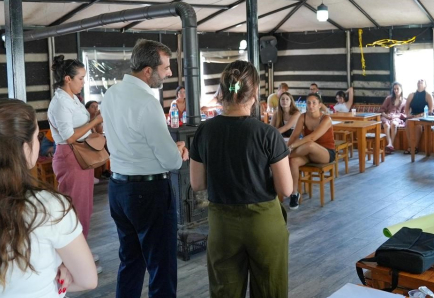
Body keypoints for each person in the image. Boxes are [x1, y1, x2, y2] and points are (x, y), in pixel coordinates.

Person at [0, 99, 98, 297]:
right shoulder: (48, 207)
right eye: (37, 137)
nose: (38, 142)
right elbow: (88, 280)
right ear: (24, 148)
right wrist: (56, 274)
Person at [189, 60, 293, 298]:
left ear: (222, 92)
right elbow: (286, 189)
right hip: (263, 224)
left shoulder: (204, 131)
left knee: (224, 292)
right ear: (254, 92)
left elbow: (197, 184)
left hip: (222, 224)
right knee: (270, 290)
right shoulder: (268, 134)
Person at [100, 39, 190, 298]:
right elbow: (171, 161)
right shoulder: (147, 102)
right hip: (148, 192)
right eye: (166, 67)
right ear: (148, 70)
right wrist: (179, 150)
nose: (169, 73)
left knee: (130, 261)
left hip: (118, 188)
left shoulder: (111, 94)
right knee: (161, 267)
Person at [47, 55, 103, 270]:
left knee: (84, 207)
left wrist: (93, 118)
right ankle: (72, 261)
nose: (83, 82)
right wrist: (95, 120)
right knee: (75, 209)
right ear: (68, 78)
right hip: (70, 156)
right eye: (81, 78)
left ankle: (81, 251)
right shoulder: (60, 103)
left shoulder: (73, 99)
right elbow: (69, 137)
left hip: (80, 154)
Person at [286, 93, 335, 210]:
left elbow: (312, 137)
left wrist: (290, 148)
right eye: (308, 103)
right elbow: (294, 135)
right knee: (293, 161)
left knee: (309, 144)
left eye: (314, 103)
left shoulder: (326, 119)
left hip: (326, 153)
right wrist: (287, 147)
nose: (311, 105)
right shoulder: (303, 117)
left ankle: (282, 157)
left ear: (319, 105)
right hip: (308, 152)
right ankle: (294, 193)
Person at [404, 79, 434, 154]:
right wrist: (408, 115)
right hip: (413, 115)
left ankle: (415, 147)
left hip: (424, 116)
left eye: (422, 81)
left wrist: (419, 115)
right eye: (418, 81)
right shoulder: (411, 95)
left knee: (418, 125)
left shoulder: (428, 95)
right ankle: (410, 146)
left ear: (425, 85)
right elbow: (406, 109)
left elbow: (430, 110)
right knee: (407, 123)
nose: (420, 82)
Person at [380, 82, 407, 153]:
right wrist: (386, 115)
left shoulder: (404, 101)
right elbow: (382, 110)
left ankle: (390, 144)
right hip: (387, 116)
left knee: (394, 124)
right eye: (394, 89)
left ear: (401, 89)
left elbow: (405, 114)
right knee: (386, 125)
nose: (396, 90)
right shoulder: (389, 98)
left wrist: (396, 116)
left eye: (397, 89)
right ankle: (390, 145)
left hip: (397, 118)